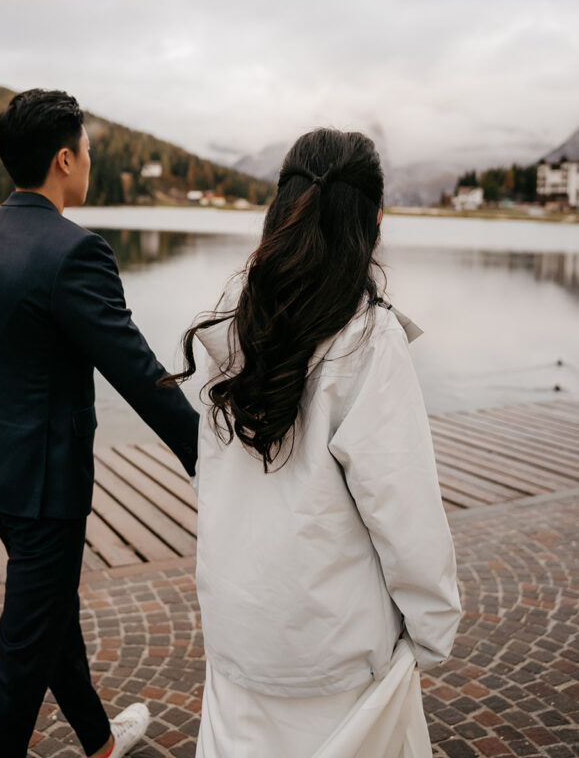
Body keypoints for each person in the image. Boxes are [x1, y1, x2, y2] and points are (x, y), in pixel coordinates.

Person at [164, 128, 462, 757]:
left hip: (239, 639)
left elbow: (213, 483)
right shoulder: (368, 338)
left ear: (282, 210)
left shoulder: (233, 322)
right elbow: (403, 507)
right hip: (333, 656)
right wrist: (433, 627)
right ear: (374, 221)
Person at [0, 89, 200, 758]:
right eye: (86, 151)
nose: (90, 162)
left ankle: (101, 742)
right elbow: (138, 373)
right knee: (23, 657)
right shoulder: (73, 252)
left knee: (50, 617)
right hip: (48, 492)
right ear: (62, 159)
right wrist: (206, 454)